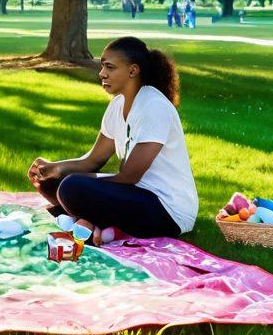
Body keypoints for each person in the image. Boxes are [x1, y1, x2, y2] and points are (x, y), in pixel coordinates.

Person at [27, 36, 197, 243]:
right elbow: (93, 160)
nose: (102, 73)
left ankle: (86, 221)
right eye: (102, 66)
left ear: (133, 71)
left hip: (167, 210)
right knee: (51, 182)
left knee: (72, 187)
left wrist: (80, 180)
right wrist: (55, 168)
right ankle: (92, 222)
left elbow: (129, 176)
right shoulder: (117, 106)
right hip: (135, 195)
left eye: (110, 67)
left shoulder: (154, 106)